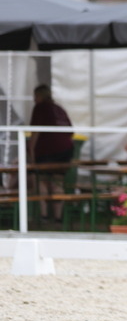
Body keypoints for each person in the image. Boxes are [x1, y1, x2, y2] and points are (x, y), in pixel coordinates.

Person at [27, 84, 74, 219]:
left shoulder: (40, 108)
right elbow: (70, 132)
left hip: (47, 150)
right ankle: (58, 217)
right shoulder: (59, 109)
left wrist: (31, 152)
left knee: (40, 180)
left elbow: (35, 132)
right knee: (57, 181)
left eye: (35, 96)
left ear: (39, 96)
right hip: (65, 150)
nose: (34, 99)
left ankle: (44, 215)